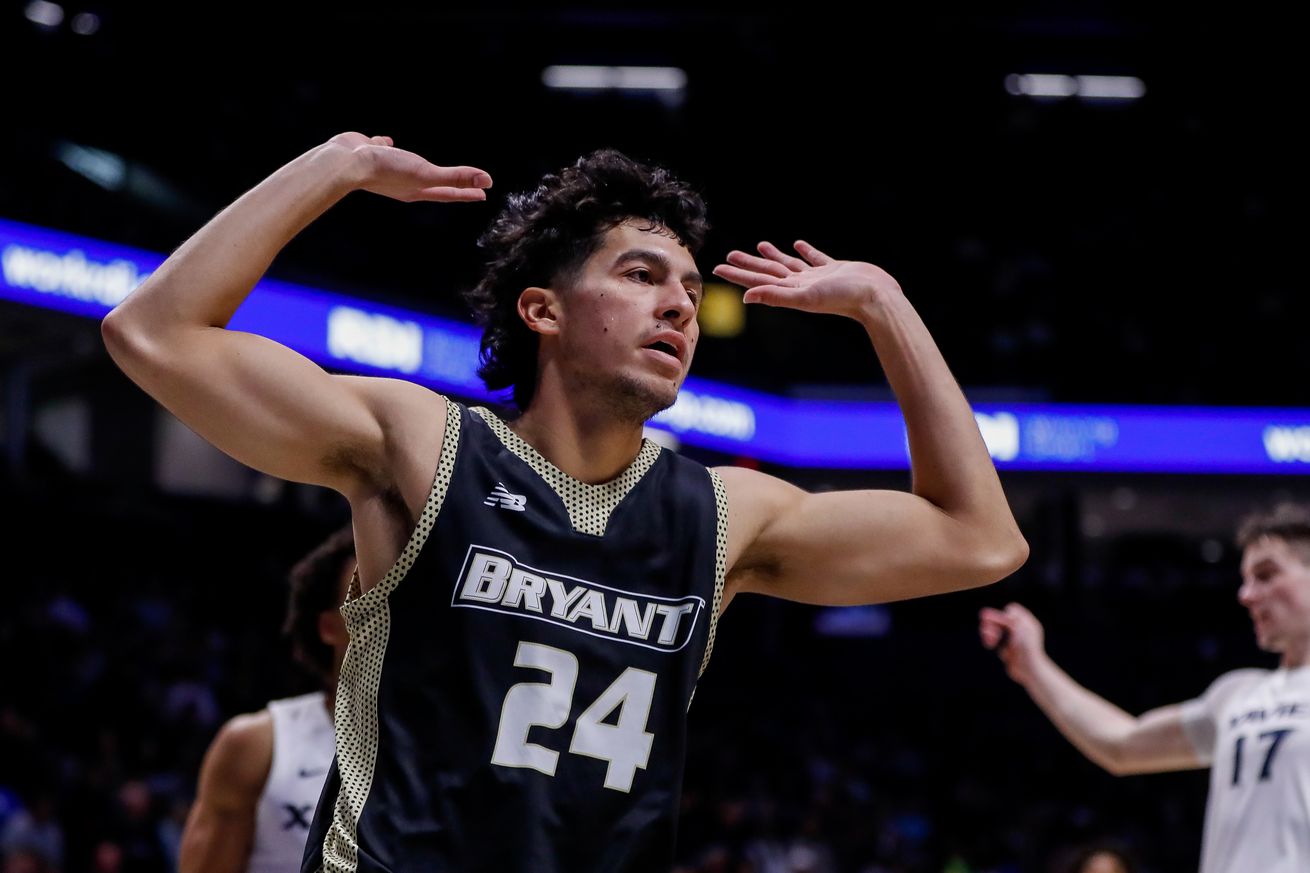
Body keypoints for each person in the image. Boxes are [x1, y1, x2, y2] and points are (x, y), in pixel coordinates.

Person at [102, 132, 1028, 873]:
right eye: (640, 276)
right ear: (542, 310)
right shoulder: (424, 444)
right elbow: (154, 332)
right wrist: (335, 165)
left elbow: (978, 538)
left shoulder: (722, 515)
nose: (679, 308)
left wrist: (886, 304)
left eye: (691, 291)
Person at [980, 503, 1310, 873]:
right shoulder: (1236, 694)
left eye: (1266, 576)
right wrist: (1034, 666)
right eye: (1246, 580)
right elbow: (1123, 744)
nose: (1246, 595)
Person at [178, 527, 355, 873]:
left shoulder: (450, 747)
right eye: (369, 594)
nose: (387, 608)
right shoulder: (258, 744)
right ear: (328, 627)